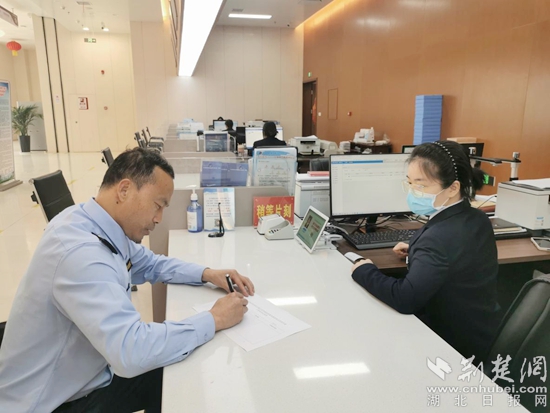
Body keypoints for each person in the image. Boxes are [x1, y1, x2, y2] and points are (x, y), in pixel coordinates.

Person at [0, 148, 255, 413]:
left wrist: (207, 273)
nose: (158, 219)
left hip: (85, 376)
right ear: (124, 190)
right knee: (177, 373)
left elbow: (152, 264)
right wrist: (215, 318)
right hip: (52, 403)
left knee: (178, 363)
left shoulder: (94, 222)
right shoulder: (81, 254)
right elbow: (131, 351)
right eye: (158, 205)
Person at [351, 140, 499, 363]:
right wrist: (416, 251)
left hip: (448, 344)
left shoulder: (436, 239)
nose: (413, 192)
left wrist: (365, 271)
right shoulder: (477, 218)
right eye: (409, 183)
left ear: (453, 188)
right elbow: (457, 255)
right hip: (479, 330)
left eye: (421, 186)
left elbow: (405, 299)